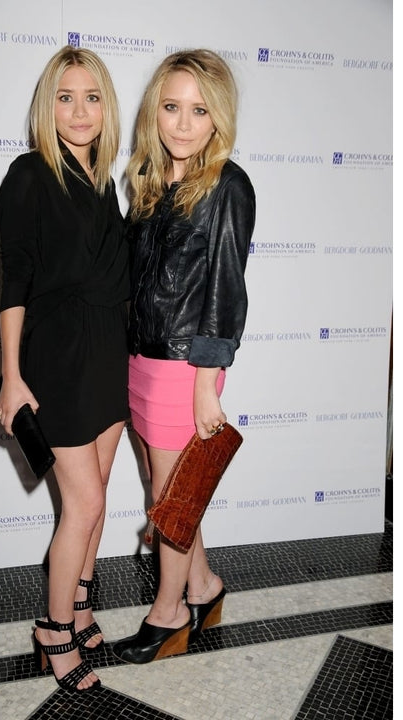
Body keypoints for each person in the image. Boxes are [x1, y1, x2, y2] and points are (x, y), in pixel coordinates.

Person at [112, 49, 256, 664]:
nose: (182, 123)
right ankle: (203, 585)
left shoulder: (228, 184)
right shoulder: (146, 181)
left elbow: (226, 288)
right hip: (141, 357)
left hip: (185, 366)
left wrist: (206, 384)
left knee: (170, 500)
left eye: (198, 111)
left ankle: (169, 614)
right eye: (171, 107)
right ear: (155, 111)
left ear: (218, 117)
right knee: (167, 493)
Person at [0, 46, 128, 692]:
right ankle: (53, 629)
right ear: (48, 107)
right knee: (86, 502)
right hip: (58, 362)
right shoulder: (28, 175)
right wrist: (11, 376)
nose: (80, 110)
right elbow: (12, 285)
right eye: (66, 97)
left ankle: (77, 603)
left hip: (109, 359)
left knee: (98, 501)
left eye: (92, 97)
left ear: (107, 107)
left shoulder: (105, 183)